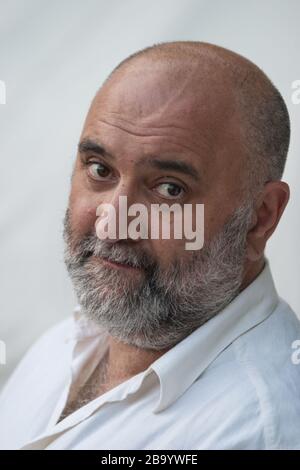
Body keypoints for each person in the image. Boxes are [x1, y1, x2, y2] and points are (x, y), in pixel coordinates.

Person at [0, 41, 299, 450]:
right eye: (100, 169)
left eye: (170, 189)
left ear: (259, 217)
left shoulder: (259, 431)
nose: (112, 224)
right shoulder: (66, 343)